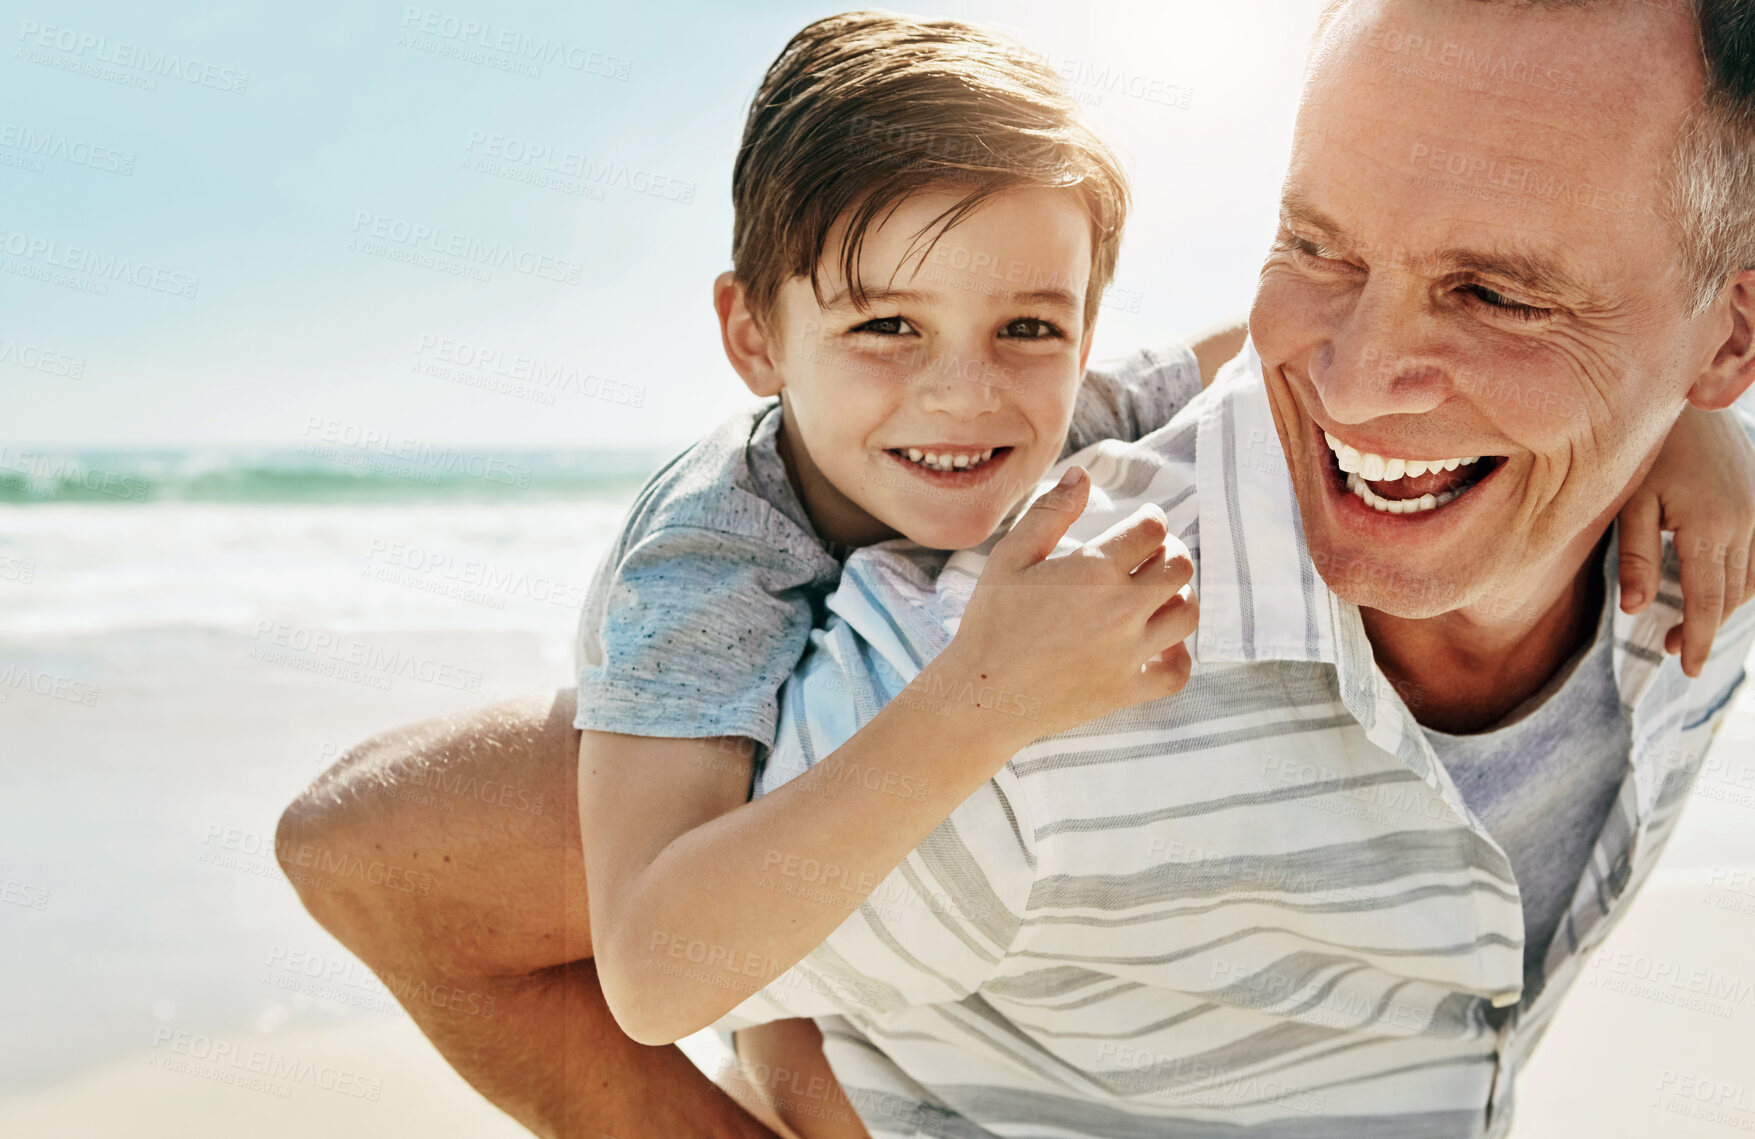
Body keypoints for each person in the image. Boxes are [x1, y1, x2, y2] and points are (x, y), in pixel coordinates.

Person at [277, 2, 1755, 1136]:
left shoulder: (1090, 410)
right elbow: (623, 957)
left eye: (1028, 330)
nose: (965, 402)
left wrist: (1685, 423)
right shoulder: (736, 582)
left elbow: (1261, 341)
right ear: (749, 336)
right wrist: (982, 702)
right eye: (883, 329)